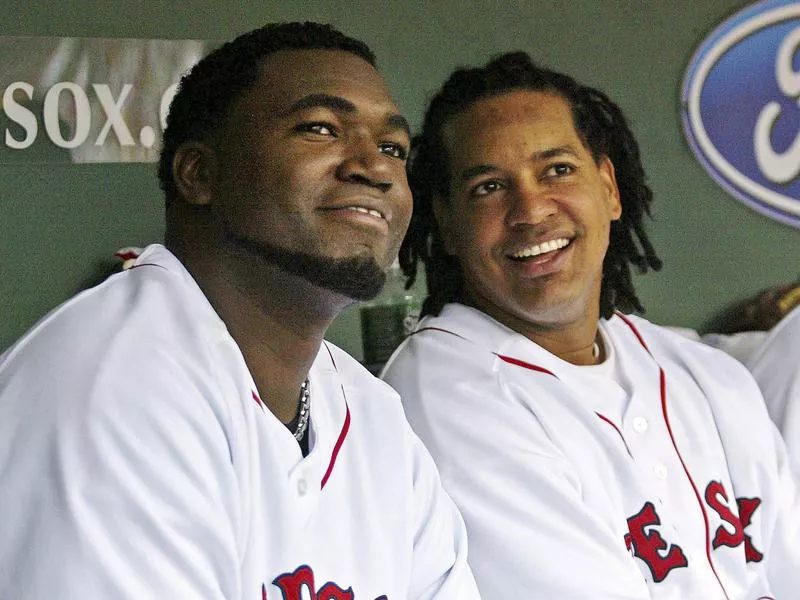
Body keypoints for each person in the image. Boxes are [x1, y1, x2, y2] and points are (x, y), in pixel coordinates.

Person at [0, 22, 479, 599]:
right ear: (200, 173)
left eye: (392, 148)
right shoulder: (113, 381)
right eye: (320, 129)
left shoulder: (373, 416)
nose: (373, 167)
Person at [382, 51, 800, 599]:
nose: (530, 210)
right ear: (448, 224)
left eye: (557, 169)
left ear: (609, 188)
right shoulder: (442, 391)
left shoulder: (709, 378)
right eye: (488, 186)